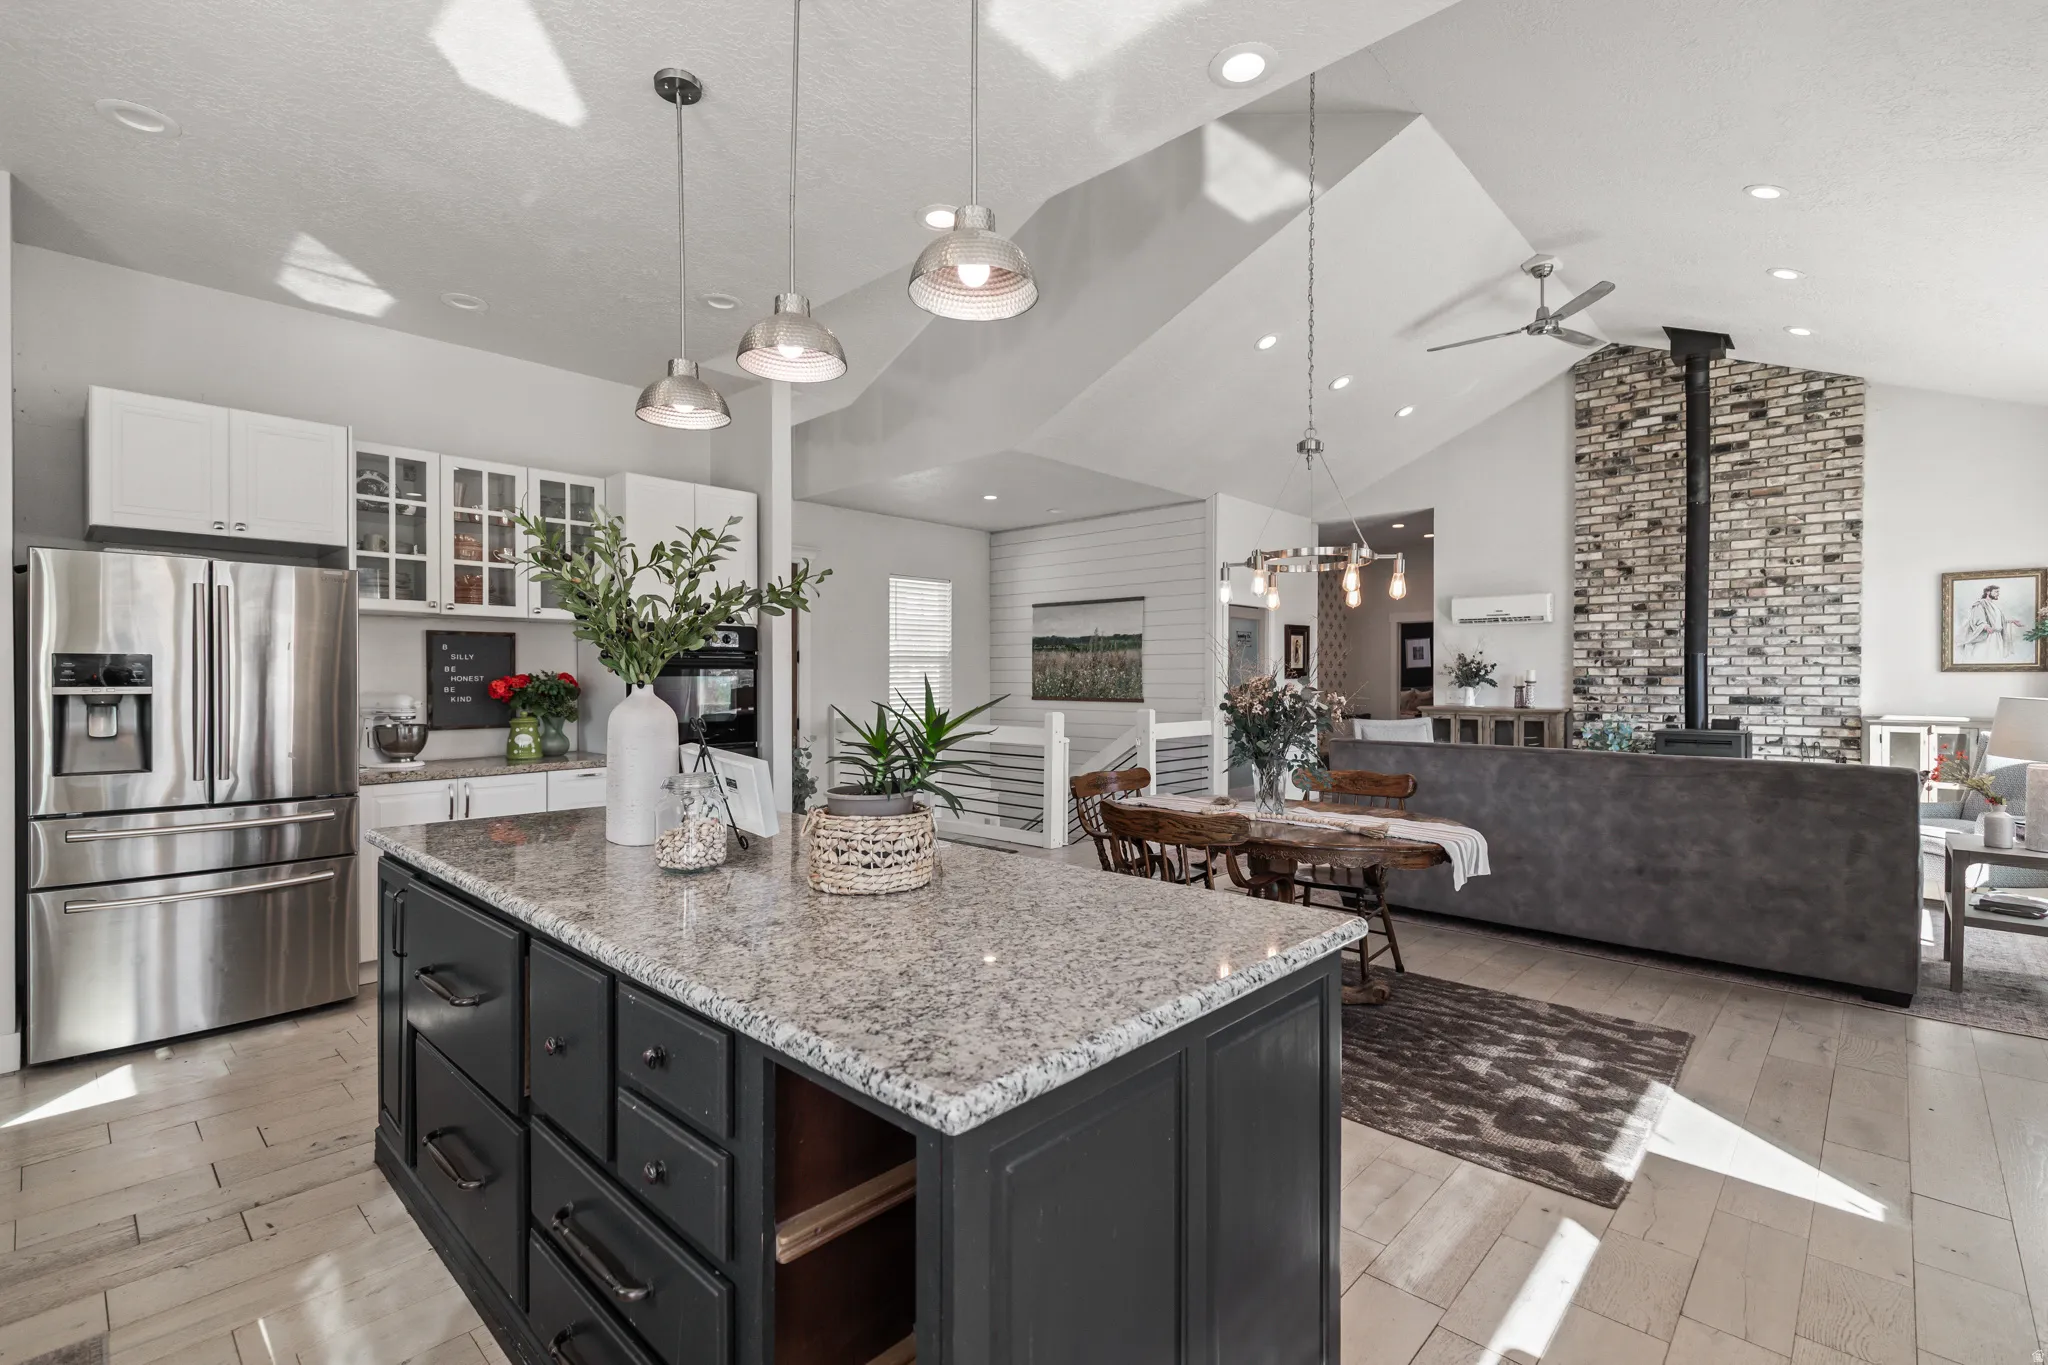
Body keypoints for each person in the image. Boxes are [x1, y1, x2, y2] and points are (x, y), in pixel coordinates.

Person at [1961, 584, 2025, 662]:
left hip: (1996, 637)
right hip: (1987, 637)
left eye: (1998, 592)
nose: (1998, 594)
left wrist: (2012, 621)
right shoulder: (1980, 604)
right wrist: (1986, 627)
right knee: (1985, 659)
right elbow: (1978, 619)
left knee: (1996, 659)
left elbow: (1997, 621)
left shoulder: (1993, 606)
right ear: (1988, 592)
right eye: (1996, 592)